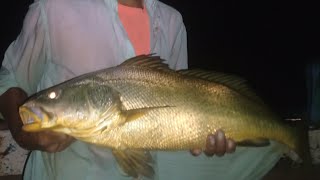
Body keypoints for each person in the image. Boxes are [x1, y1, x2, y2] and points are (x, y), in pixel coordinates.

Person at [0, 0, 282, 179]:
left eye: (54, 96)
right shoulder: (55, 7)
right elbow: (10, 77)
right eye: (54, 96)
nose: (53, 97)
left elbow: (182, 105)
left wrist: (201, 139)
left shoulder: (172, 21)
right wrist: (25, 135)